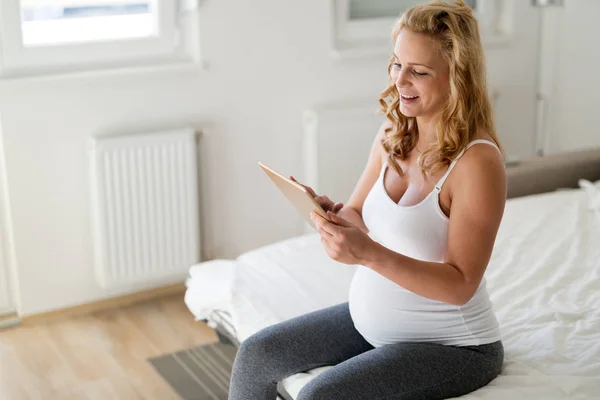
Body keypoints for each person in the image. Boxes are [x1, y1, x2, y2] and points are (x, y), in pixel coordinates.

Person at [229, 1, 505, 398]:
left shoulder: (477, 162)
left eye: (419, 72)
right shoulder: (396, 130)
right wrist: (331, 218)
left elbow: (461, 284)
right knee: (257, 355)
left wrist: (367, 253)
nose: (400, 81)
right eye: (397, 64)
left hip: (452, 347)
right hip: (371, 323)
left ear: (457, 78)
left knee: (318, 395)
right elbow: (357, 212)